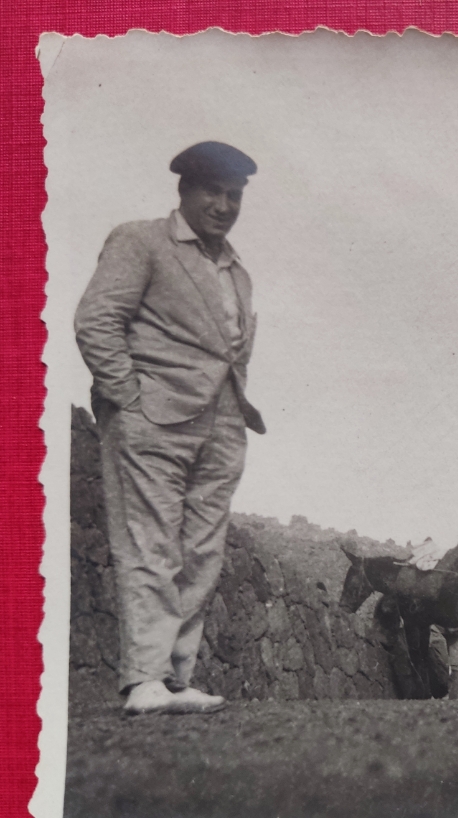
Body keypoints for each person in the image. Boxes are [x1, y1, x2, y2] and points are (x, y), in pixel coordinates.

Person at [74, 141, 266, 715]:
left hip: (223, 423)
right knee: (150, 545)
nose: (224, 205)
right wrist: (130, 399)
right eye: (213, 191)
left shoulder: (236, 269)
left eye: (234, 195)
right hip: (151, 420)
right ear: (184, 191)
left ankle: (176, 680)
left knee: (201, 553)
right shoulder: (140, 240)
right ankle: (144, 679)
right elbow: (96, 320)